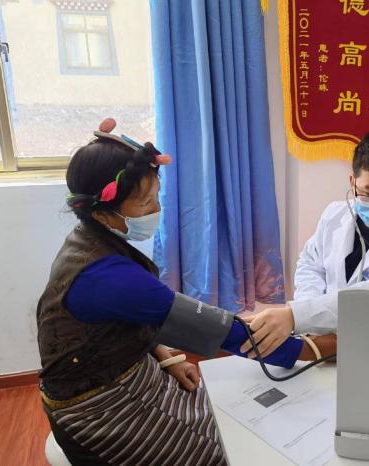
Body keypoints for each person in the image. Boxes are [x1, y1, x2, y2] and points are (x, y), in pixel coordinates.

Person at [36, 119, 335, 466]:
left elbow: (124, 320)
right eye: (145, 203)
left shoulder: (88, 240)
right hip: (101, 410)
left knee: (218, 416)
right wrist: (319, 348)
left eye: (157, 197)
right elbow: (221, 330)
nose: (156, 210)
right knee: (226, 450)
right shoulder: (107, 276)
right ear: (103, 213)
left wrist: (166, 357)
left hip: (132, 372)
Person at [241, 129, 369, 357]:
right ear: (353, 182)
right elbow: (311, 265)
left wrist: (296, 316)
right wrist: (312, 321)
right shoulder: (334, 214)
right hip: (321, 341)